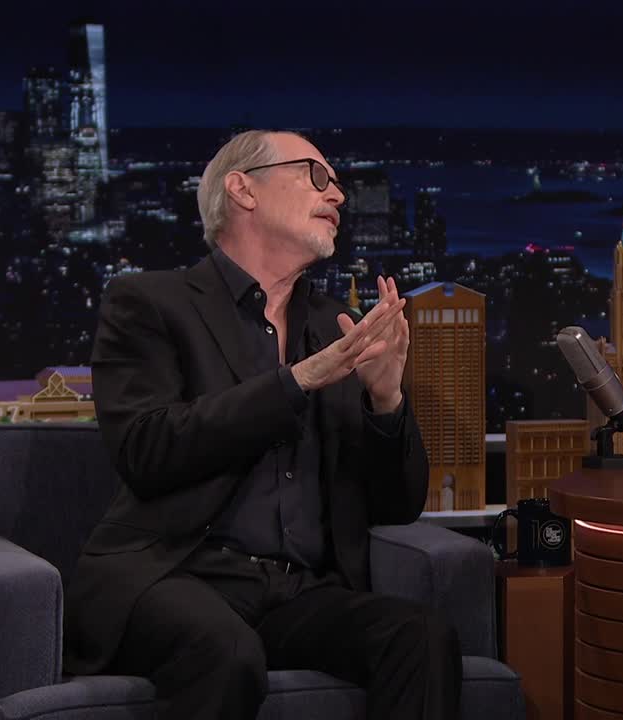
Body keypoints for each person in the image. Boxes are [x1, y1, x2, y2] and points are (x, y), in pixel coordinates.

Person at [63, 130, 460, 720]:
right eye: (316, 176)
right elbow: (147, 450)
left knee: (421, 637)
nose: (338, 196)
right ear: (243, 190)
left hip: (300, 590)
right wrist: (295, 383)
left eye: (338, 183)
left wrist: (386, 400)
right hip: (177, 574)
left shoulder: (336, 326)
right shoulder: (149, 303)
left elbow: (398, 504)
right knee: (225, 652)